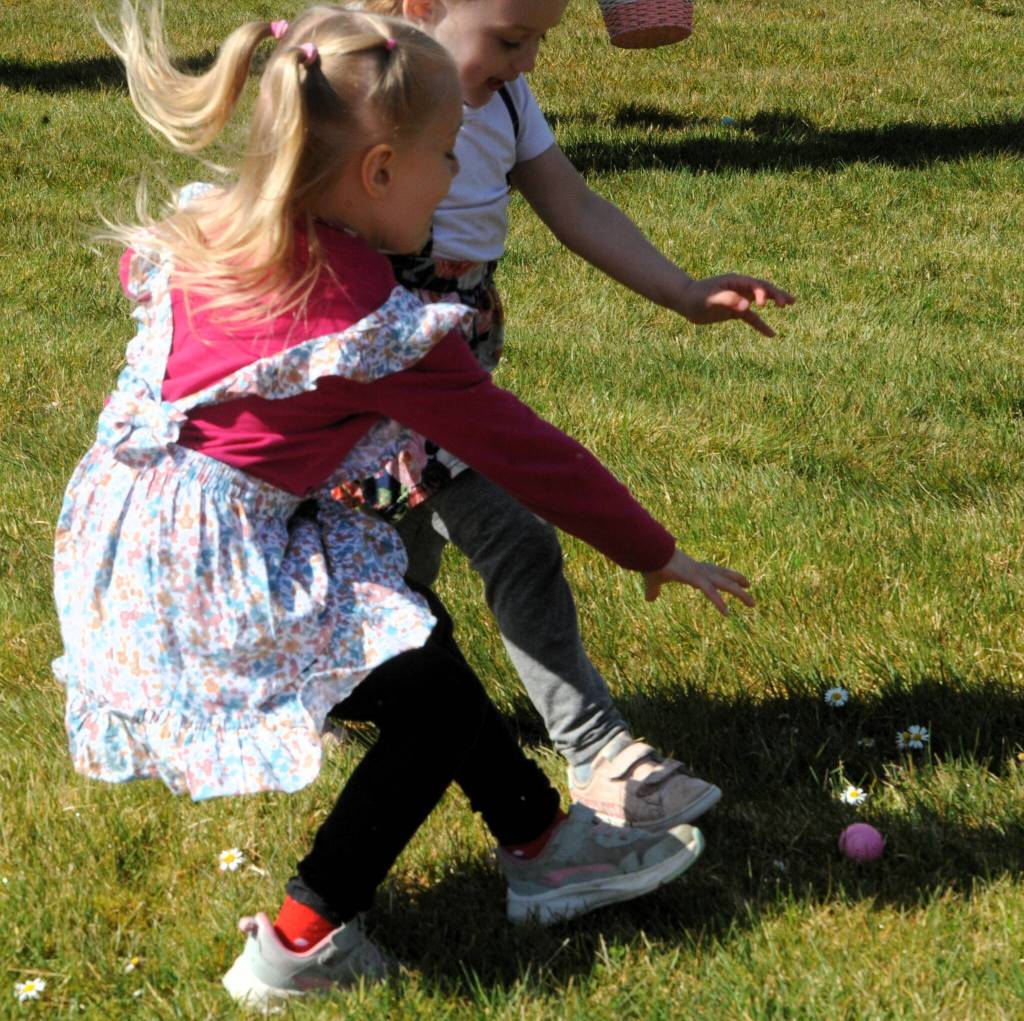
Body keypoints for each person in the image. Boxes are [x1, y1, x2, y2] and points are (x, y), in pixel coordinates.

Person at [54, 3, 757, 1006]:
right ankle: (300, 943)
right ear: (380, 171)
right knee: (423, 716)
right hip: (215, 571)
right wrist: (653, 550)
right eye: (445, 156)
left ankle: (544, 844)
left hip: (130, 539)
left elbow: (155, 292)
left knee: (418, 648)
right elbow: (527, 452)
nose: (457, 175)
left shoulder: (215, 231)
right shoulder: (368, 321)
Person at [351, 0, 794, 831]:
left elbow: (575, 205)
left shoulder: (506, 101)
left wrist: (684, 291)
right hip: (369, 380)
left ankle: (596, 749)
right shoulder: (359, 86)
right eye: (511, 40)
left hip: (451, 373)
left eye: (539, 41)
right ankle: (366, 694)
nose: (526, 64)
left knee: (487, 550)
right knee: (393, 573)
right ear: (422, 9)